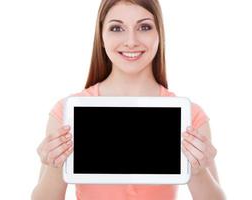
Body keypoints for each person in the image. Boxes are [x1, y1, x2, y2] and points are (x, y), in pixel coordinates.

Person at [31, 0, 226, 199]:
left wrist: (198, 170)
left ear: (159, 33)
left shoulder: (190, 116)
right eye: (117, 28)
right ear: (101, 36)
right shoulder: (67, 112)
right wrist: (55, 167)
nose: (131, 41)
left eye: (144, 27)